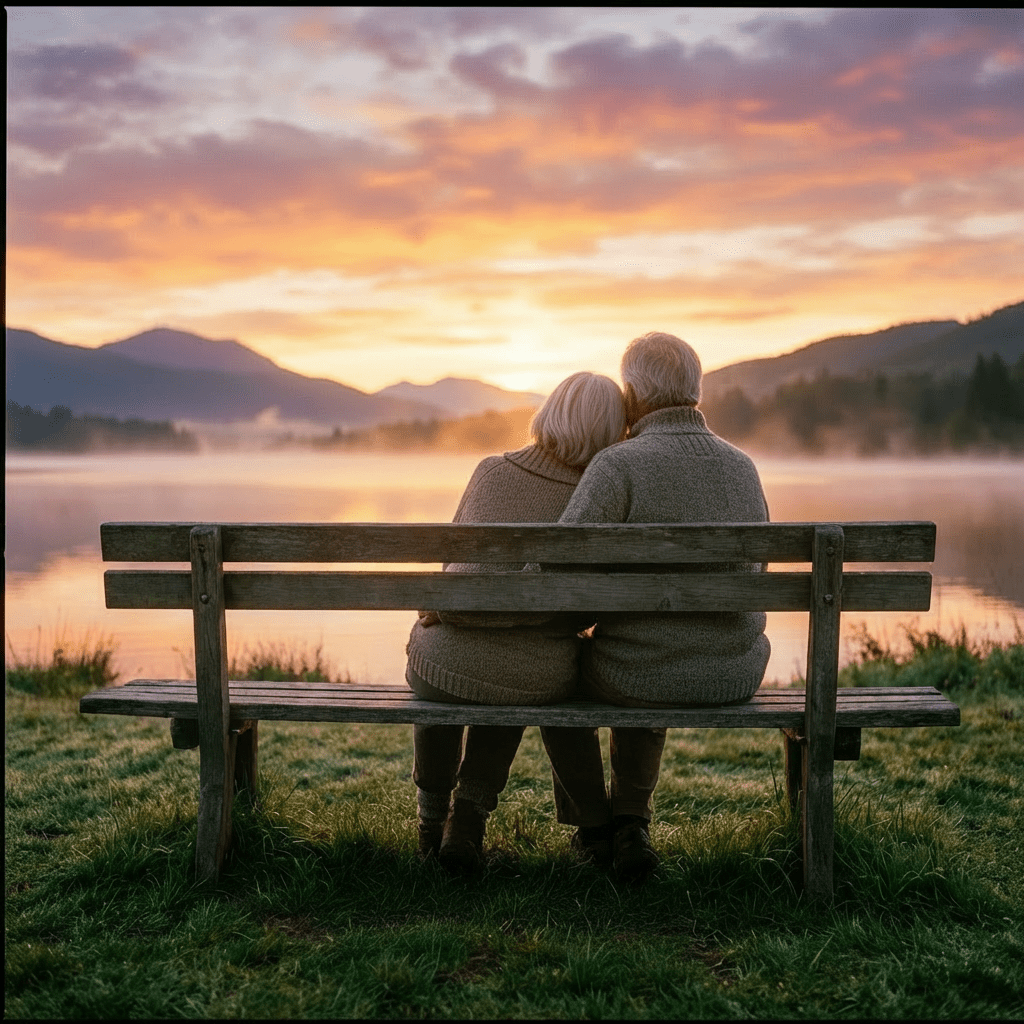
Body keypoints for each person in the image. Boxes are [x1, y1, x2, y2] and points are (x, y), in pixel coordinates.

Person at [543, 331, 771, 881]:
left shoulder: (618, 465)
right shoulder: (744, 467)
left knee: (558, 673)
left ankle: (597, 828)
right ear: (695, 390)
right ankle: (632, 828)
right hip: (734, 672)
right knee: (654, 650)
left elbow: (556, 575)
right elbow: (756, 574)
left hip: (638, 674)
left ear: (633, 395)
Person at [405, 371, 626, 872]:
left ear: (549, 413)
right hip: (536, 673)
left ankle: (429, 823)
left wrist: (443, 611)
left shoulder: (490, 471)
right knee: (516, 671)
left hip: (447, 664)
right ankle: (469, 819)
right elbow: (588, 608)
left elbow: (450, 574)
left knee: (452, 664)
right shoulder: (600, 500)